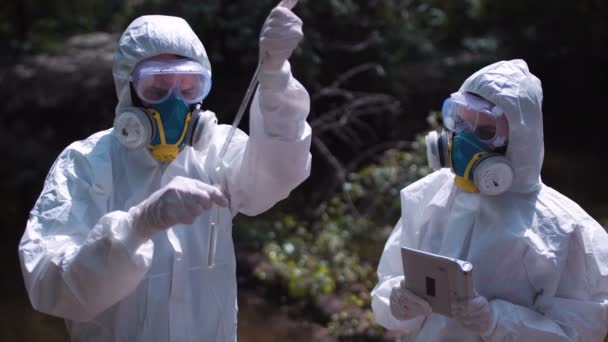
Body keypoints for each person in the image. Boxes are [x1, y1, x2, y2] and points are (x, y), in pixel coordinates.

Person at [19, 6, 311, 342]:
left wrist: (275, 77)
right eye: (156, 88)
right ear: (128, 88)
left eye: (188, 88)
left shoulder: (216, 149)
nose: (174, 104)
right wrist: (136, 227)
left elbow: (277, 174)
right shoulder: (85, 164)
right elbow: (49, 285)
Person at [371, 59, 608, 341]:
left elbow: (581, 331)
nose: (464, 140)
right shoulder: (427, 197)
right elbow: (387, 293)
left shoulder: (565, 229)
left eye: (485, 132)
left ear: (521, 139)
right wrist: (396, 300)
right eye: (461, 122)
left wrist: (496, 321)